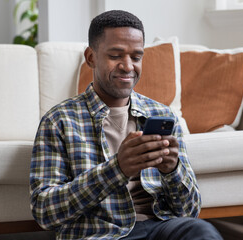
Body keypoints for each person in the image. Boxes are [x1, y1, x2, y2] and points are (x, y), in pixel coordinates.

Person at [30, 10, 223, 240]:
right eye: (116, 55)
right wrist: (117, 169)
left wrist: (172, 171)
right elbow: (45, 212)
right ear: (91, 57)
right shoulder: (59, 121)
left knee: (200, 230)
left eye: (136, 56)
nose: (128, 66)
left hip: (158, 227)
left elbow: (189, 211)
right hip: (101, 233)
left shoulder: (161, 114)